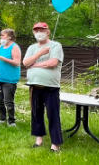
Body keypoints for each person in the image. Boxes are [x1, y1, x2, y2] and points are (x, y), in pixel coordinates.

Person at [23, 22, 64, 152]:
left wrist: (34, 65)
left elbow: (53, 62)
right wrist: (40, 54)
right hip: (35, 86)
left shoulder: (55, 45)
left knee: (53, 114)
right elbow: (25, 63)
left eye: (42, 29)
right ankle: (38, 139)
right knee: (36, 113)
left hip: (51, 87)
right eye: (36, 30)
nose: (39, 32)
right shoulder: (32, 47)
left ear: (48, 31)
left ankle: (55, 143)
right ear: (34, 33)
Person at [0, 29, 21, 127]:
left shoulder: (15, 47)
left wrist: (2, 58)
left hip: (9, 79)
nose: (1, 37)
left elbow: (17, 62)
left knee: (8, 101)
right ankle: (2, 119)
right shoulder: (1, 46)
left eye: (3, 36)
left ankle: (11, 121)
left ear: (9, 37)